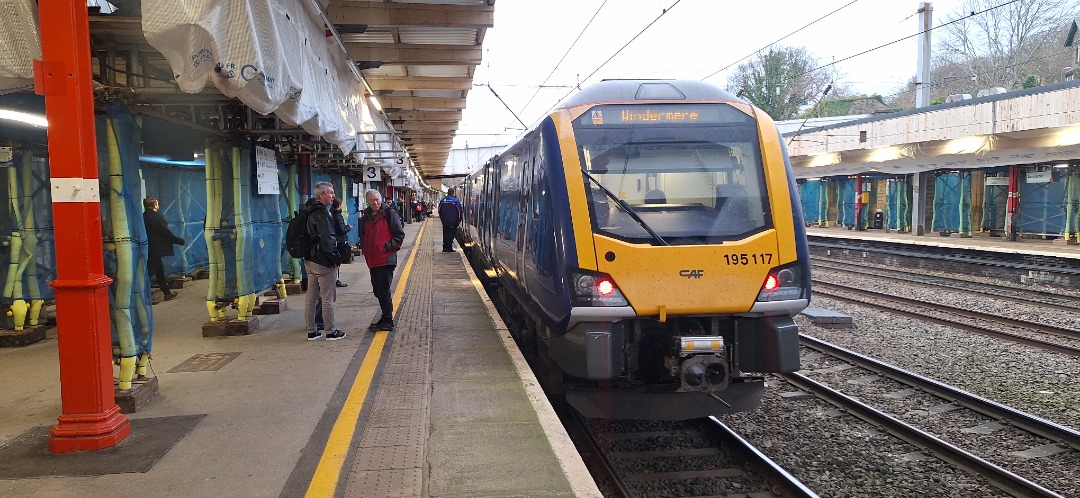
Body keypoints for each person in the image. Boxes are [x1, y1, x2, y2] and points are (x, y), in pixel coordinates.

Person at [304, 182, 346, 341]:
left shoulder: (309, 211)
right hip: (323, 262)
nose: (333, 195)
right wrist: (336, 258)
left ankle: (312, 331)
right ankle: (331, 331)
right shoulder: (323, 214)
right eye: (330, 192)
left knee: (311, 298)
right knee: (328, 297)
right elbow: (328, 240)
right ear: (321, 195)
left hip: (310, 260)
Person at [359, 189, 405, 331]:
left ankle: (387, 320)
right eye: (372, 200)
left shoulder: (389, 213)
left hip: (386, 258)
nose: (376, 202)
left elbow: (399, 234)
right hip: (372, 259)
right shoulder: (366, 215)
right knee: (377, 290)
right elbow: (364, 234)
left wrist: (386, 246)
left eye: (378, 199)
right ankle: (385, 318)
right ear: (368, 201)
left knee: (383, 289)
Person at [143, 197, 185, 301]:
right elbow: (164, 232)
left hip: (149, 247)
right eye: (157, 204)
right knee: (149, 272)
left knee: (159, 271)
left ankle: (167, 293)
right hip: (156, 248)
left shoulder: (143, 217)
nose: (158, 206)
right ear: (155, 206)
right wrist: (178, 240)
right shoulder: (156, 218)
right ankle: (142, 297)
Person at [331, 198, 352, 288]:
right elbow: (342, 230)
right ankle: (335, 280)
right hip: (338, 241)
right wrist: (348, 228)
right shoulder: (338, 216)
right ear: (339, 205)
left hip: (335, 240)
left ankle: (335, 279)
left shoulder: (331, 214)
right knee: (337, 261)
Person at [437, 187, 463, 252]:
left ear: (447, 193)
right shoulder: (455, 201)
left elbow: (439, 211)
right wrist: (459, 220)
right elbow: (459, 211)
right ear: (453, 193)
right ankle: (449, 247)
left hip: (445, 221)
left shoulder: (442, 200)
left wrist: (442, 219)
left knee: (445, 234)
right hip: (453, 221)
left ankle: (444, 247)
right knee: (451, 234)